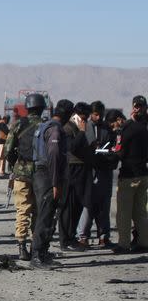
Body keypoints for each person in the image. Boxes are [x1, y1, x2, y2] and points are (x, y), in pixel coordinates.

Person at [4, 94, 53, 260]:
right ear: (41, 108)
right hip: (42, 174)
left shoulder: (19, 124)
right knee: (39, 212)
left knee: (22, 210)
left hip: (21, 173)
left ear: (27, 107)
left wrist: (15, 165)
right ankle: (37, 247)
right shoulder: (46, 125)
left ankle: (21, 247)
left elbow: (8, 150)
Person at [31, 102, 70, 269]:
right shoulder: (55, 129)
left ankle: (43, 253)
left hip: (40, 173)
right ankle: (37, 256)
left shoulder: (43, 126)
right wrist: (56, 182)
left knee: (46, 214)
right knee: (45, 216)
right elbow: (54, 154)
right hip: (47, 175)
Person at [77, 101, 118, 247]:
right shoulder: (85, 128)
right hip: (90, 172)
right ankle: (83, 236)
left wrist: (104, 153)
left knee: (104, 205)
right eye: (95, 114)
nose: (98, 117)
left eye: (100, 114)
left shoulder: (107, 129)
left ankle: (103, 236)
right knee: (88, 205)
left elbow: (112, 150)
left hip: (104, 172)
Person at [112, 95, 148, 253]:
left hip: (129, 175)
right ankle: (144, 242)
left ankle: (123, 244)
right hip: (143, 174)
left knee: (124, 213)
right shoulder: (145, 127)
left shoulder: (128, 128)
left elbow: (119, 151)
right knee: (141, 212)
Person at [56, 102, 91, 251]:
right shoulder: (68, 129)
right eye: (82, 118)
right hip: (71, 171)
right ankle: (65, 240)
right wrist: (82, 132)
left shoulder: (78, 128)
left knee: (77, 206)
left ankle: (71, 237)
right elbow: (72, 148)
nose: (84, 121)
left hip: (81, 171)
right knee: (67, 208)